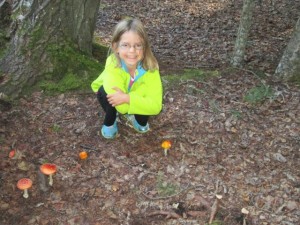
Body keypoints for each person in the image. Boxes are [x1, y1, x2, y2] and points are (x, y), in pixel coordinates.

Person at [91, 18, 163, 139]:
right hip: (112, 98)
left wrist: (128, 98)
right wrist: (140, 99)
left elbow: (156, 107)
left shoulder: (151, 69)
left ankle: (133, 115)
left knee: (142, 124)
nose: (132, 51)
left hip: (129, 96)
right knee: (105, 91)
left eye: (138, 45)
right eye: (125, 45)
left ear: (144, 47)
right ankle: (111, 119)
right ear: (115, 47)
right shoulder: (112, 63)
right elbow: (121, 107)